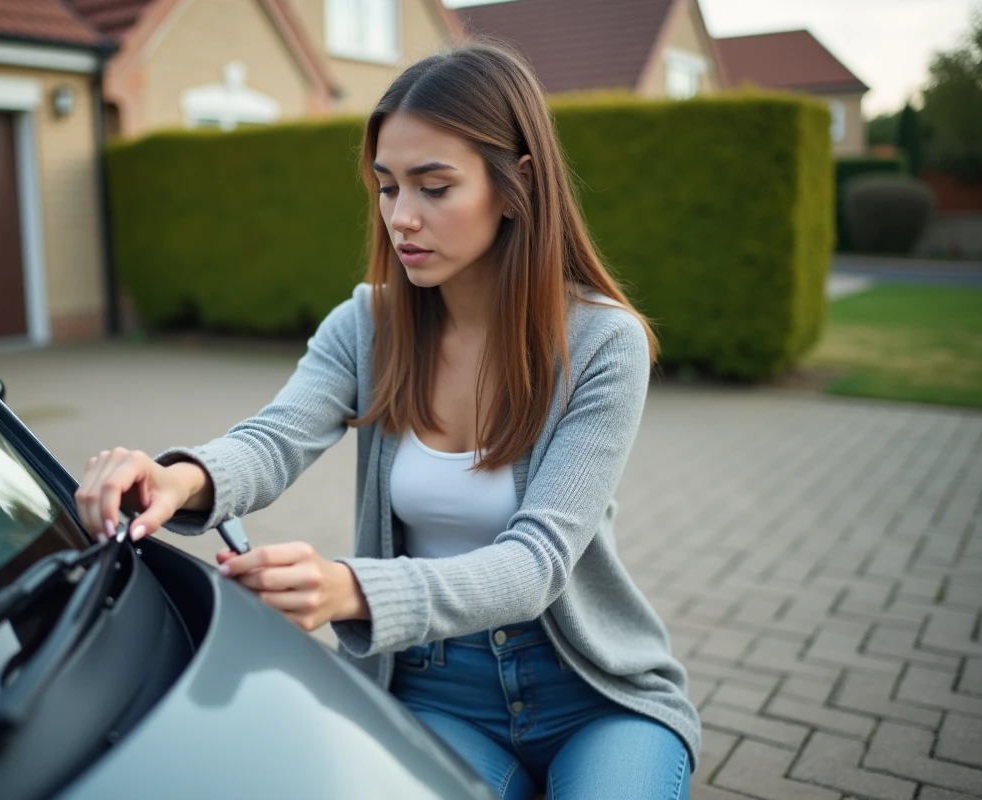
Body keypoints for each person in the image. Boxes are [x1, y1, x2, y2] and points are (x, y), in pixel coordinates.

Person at [75, 40, 699, 800]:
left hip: (591, 689)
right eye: (386, 186)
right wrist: (179, 478)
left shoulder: (603, 342)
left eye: (434, 187)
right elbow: (275, 439)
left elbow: (537, 563)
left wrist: (350, 590)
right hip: (432, 687)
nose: (402, 217)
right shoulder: (368, 325)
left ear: (518, 185)